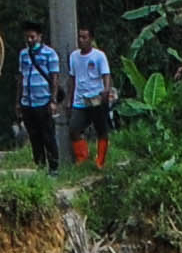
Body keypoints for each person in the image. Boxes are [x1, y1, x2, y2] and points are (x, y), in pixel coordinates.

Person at [12, 22, 63, 170]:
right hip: (28, 102)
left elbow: (54, 78)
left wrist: (53, 101)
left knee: (48, 136)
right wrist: (18, 102)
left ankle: (54, 168)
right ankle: (39, 166)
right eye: (27, 37)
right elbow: (21, 78)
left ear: (40, 37)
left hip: (44, 102)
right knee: (34, 137)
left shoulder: (50, 54)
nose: (29, 40)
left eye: (32, 37)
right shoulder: (23, 54)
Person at [68, 26, 116, 169]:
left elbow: (106, 75)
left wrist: (106, 90)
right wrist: (69, 99)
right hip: (80, 99)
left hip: (96, 98)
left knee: (101, 129)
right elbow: (72, 78)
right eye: (80, 37)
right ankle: (82, 156)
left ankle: (100, 160)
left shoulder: (99, 56)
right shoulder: (74, 56)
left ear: (91, 39)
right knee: (74, 128)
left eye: (84, 37)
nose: (81, 40)